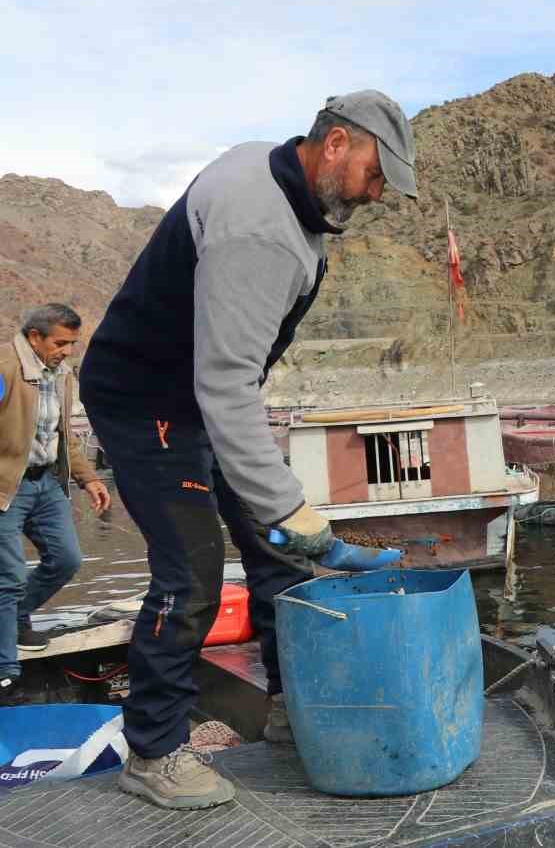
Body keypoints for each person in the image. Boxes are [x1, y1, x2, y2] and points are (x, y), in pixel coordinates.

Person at [79, 91, 418, 810]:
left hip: (201, 395)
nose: (378, 193)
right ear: (334, 145)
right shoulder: (260, 225)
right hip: (147, 401)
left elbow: (231, 371)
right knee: (193, 574)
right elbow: (227, 380)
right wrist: (299, 516)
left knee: (278, 558)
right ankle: (155, 752)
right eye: (376, 173)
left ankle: (295, 712)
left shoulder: (297, 202)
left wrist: (283, 526)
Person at [0, 304, 112, 698]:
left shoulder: (61, 375)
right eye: (60, 343)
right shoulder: (5, 368)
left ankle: (13, 619)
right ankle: (6, 668)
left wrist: (89, 478)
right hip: (5, 487)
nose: (67, 350)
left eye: (72, 344)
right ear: (34, 337)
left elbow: (62, 434)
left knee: (67, 559)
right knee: (9, 575)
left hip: (45, 483)